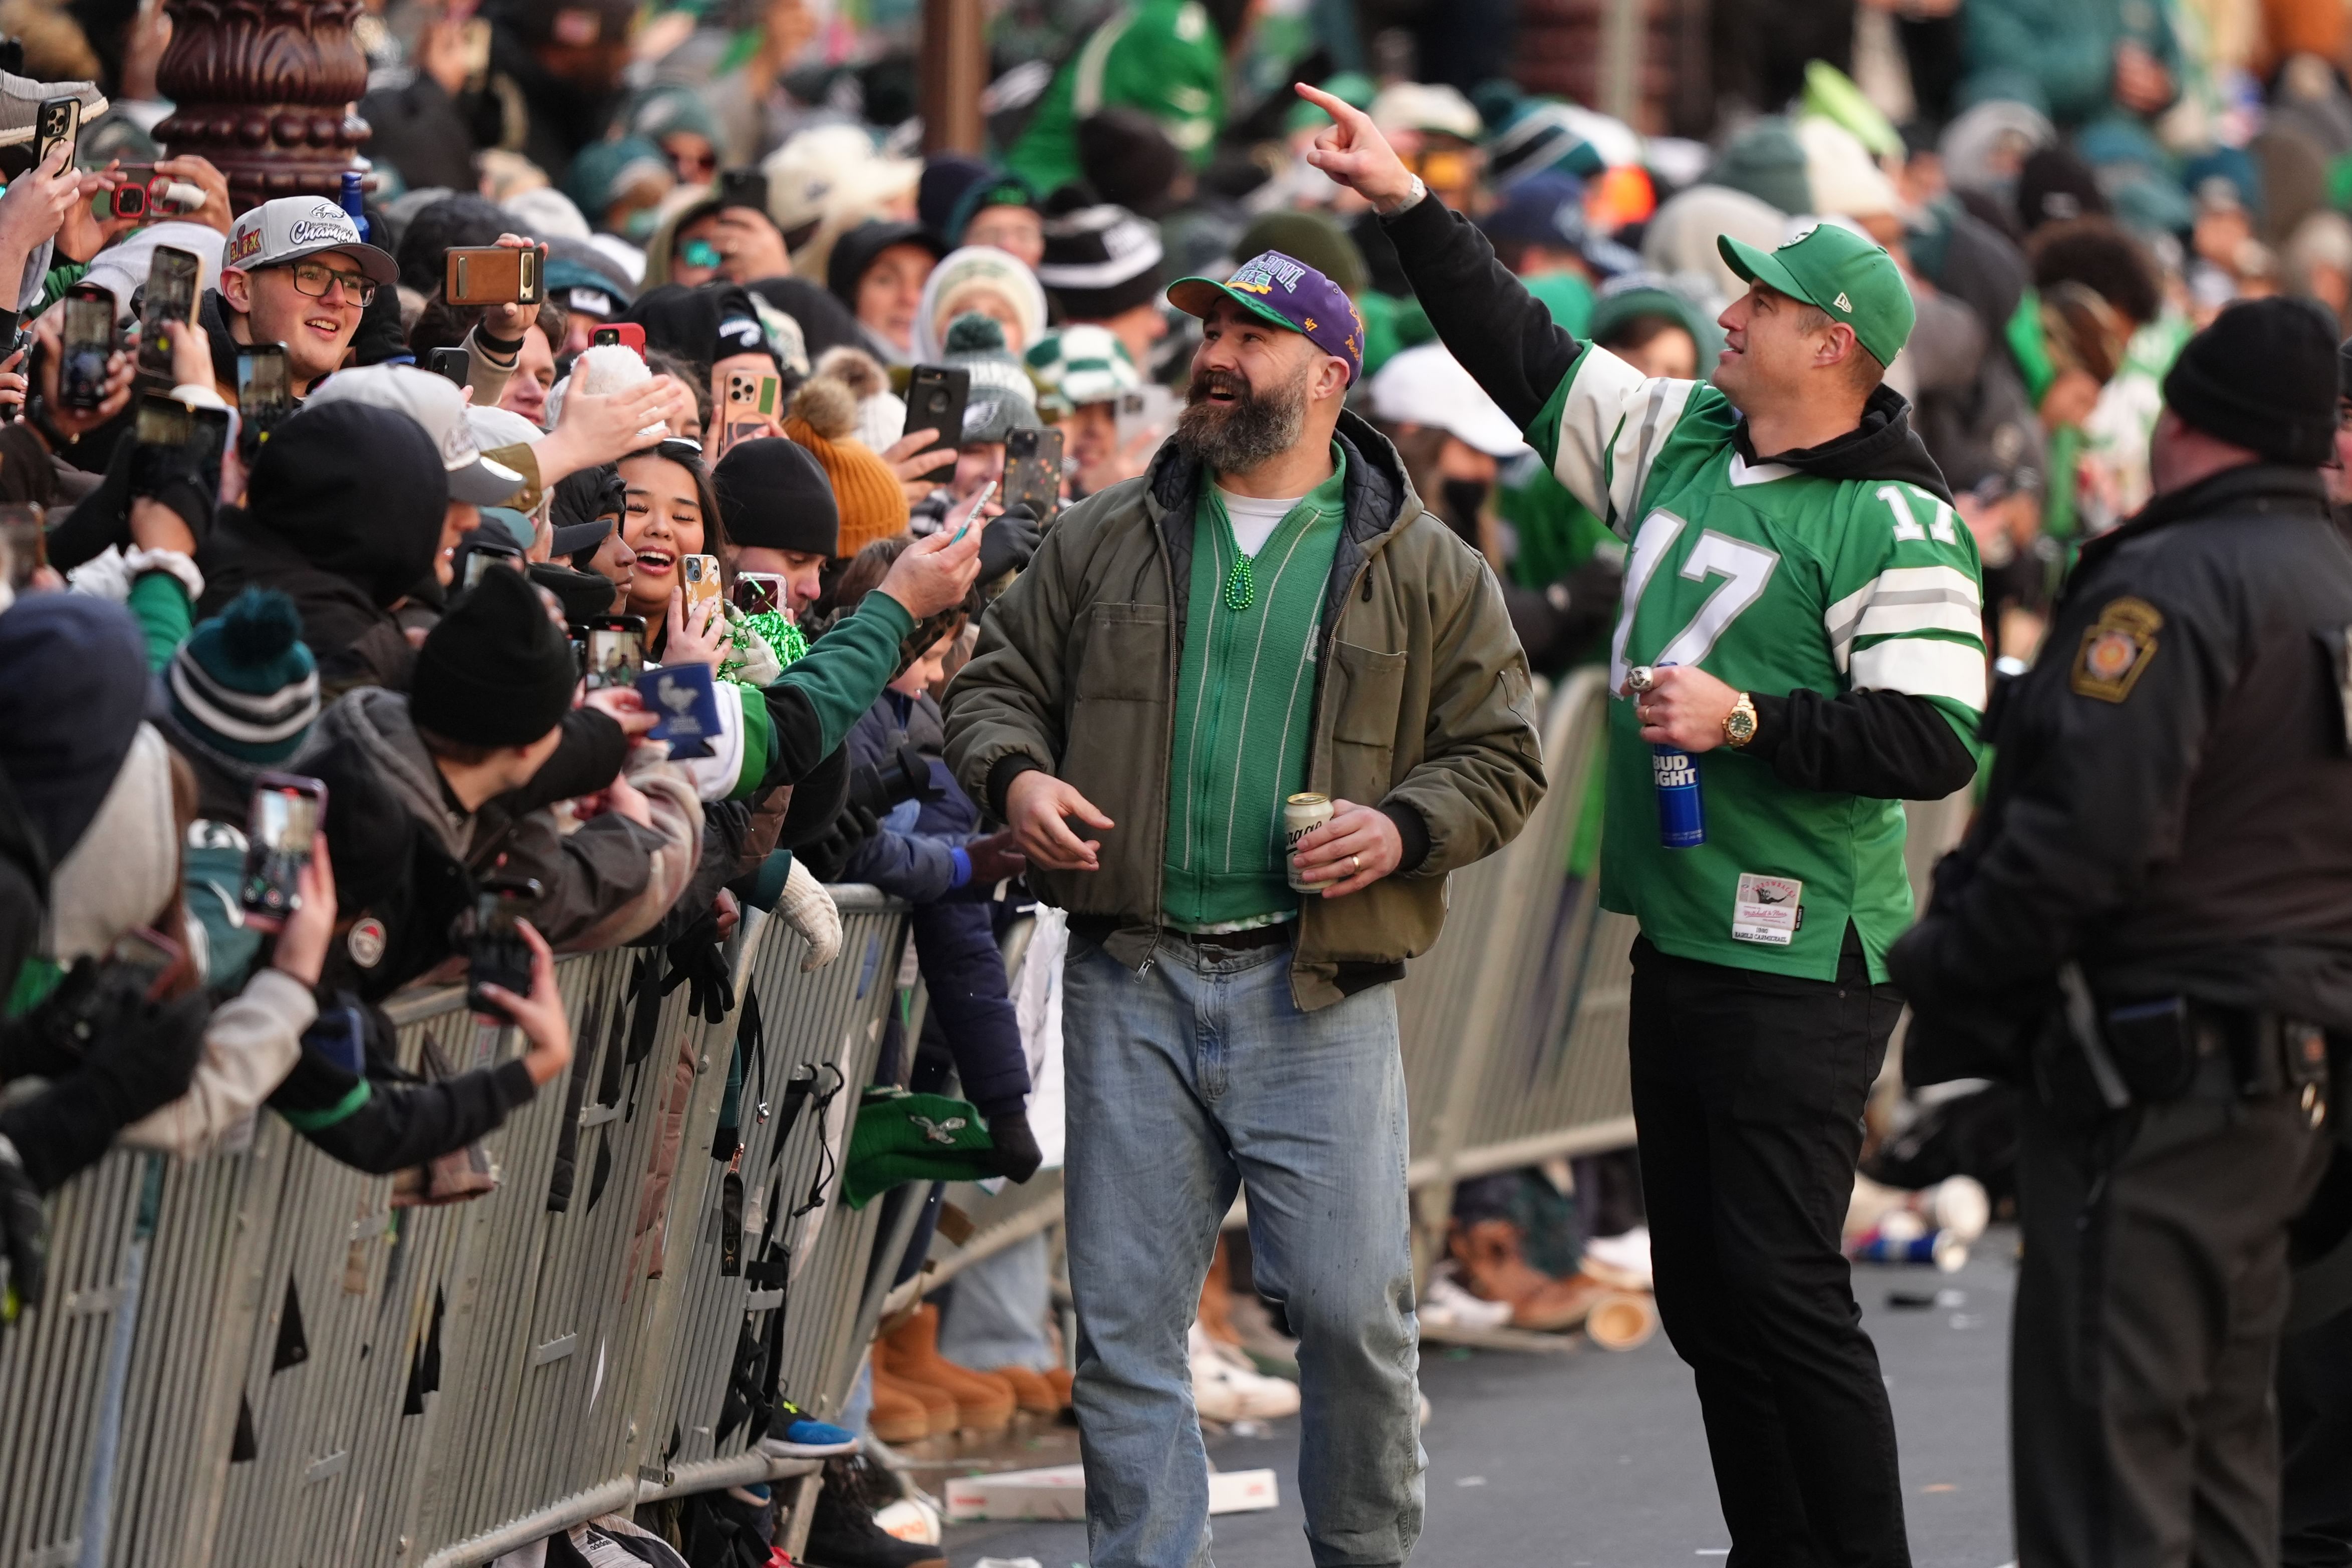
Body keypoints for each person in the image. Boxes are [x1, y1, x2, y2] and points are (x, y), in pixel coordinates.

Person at [1304, 81, 1985, 1568]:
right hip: (1680, 925)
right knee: (1701, 1288)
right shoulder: (1684, 435)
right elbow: (1523, 354)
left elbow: (1934, 734)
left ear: (1838, 348)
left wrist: (1748, 719)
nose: (1725, 314)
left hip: (1803, 945)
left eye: (1762, 303)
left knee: (1782, 1282)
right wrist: (1408, 202)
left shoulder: (1896, 518)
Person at [943, 243, 1544, 1566]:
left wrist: (1398, 827)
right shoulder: (1102, 534)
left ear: (1328, 374)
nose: (1212, 356)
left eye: (1249, 336)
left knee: (1348, 1316)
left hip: (1313, 987)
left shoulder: (1424, 565)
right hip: (1128, 976)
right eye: (1206, 329)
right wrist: (1018, 774)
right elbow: (991, 686)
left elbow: (1502, 758)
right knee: (1123, 1331)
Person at [1890, 298, 2352, 1568]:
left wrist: (1942, 971)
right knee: (2217, 1473)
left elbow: (2083, 832)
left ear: (2183, 422)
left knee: (2108, 1469)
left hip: (2155, 1077)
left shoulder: (2172, 579)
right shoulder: (2325, 579)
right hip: (2283, 1078)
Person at [206, 195, 400, 398]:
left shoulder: (346, 412)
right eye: (310, 275)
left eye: (353, 284)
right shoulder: (187, 403)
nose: (339, 299)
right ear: (240, 290)